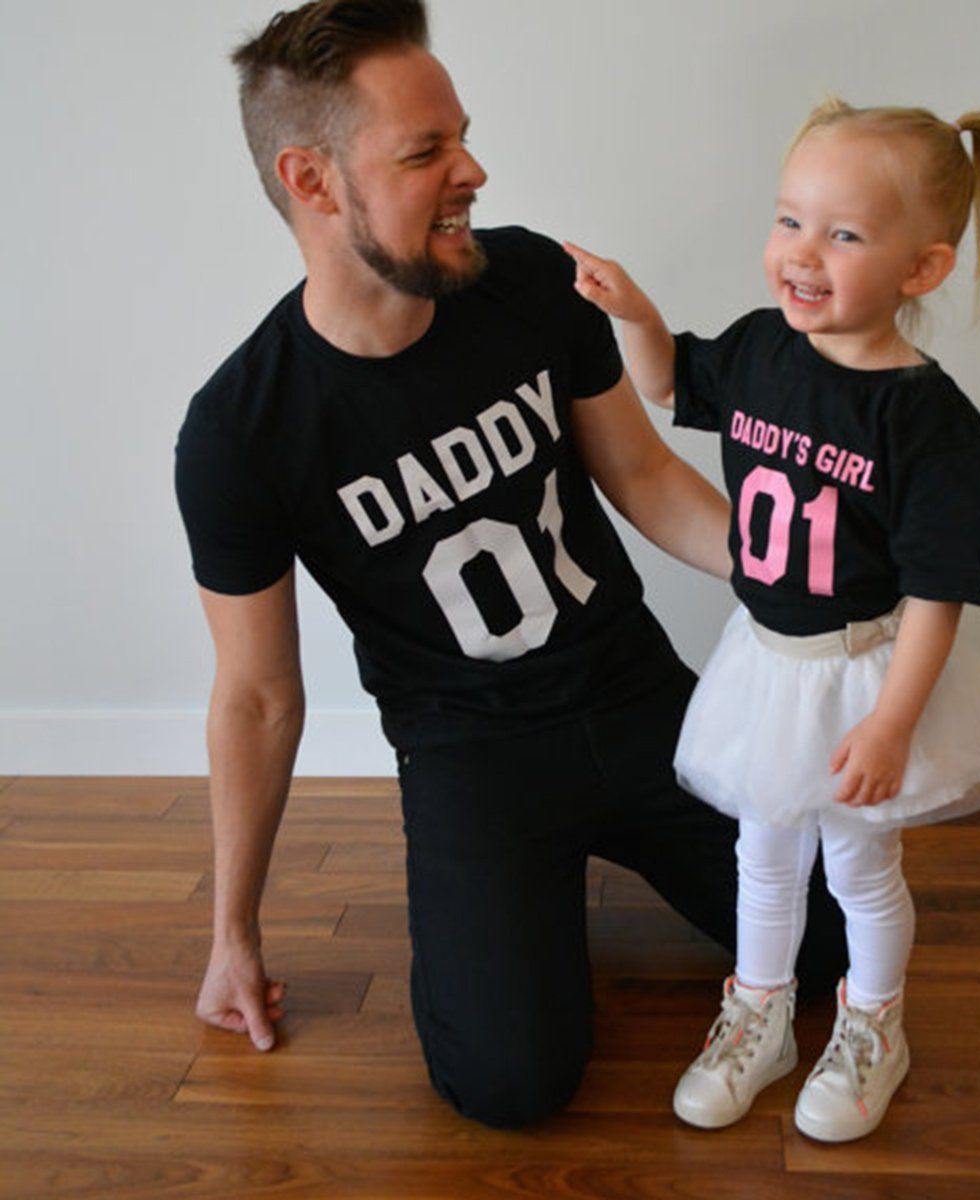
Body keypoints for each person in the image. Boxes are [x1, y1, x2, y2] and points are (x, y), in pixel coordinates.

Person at [174, 0, 847, 1131]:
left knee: (830, 948)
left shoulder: (529, 281)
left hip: (633, 693)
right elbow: (255, 696)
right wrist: (231, 933)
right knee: (508, 1088)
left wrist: (790, 562)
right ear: (313, 178)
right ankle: (517, 892)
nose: (472, 170)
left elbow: (640, 479)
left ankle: (596, 858)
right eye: (425, 151)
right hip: (472, 749)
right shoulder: (242, 431)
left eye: (463, 135)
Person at [564, 96, 980, 1140]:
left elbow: (936, 596)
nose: (803, 253)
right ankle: (760, 1015)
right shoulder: (757, 350)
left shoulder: (933, 428)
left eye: (845, 233)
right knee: (763, 854)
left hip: (861, 673)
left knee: (860, 864)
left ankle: (875, 1025)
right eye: (790, 220)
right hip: (767, 664)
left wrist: (891, 724)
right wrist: (636, 314)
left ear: (922, 269)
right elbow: (664, 386)